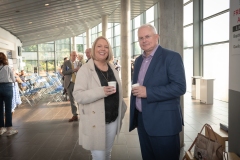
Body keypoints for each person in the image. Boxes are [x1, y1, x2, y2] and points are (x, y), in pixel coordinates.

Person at [129, 23, 186, 160]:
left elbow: (180, 87)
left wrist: (148, 92)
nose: (144, 40)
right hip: (143, 121)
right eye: (141, 38)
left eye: (147, 36)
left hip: (164, 123)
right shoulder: (138, 61)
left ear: (157, 37)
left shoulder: (172, 57)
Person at [73, 36, 127, 160]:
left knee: (108, 153)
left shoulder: (112, 67)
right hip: (95, 122)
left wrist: (122, 108)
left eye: (106, 46)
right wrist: (100, 91)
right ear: (93, 49)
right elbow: (78, 95)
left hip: (112, 119)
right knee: (99, 157)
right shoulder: (85, 70)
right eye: (99, 46)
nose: (103, 49)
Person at [0, 52, 18, 136]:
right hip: (7, 87)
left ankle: (1, 128)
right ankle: (9, 129)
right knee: (8, 109)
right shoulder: (7, 68)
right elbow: (13, 79)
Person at [62, 51, 81, 122]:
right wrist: (73, 70)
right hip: (69, 82)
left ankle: (82, 114)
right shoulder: (66, 63)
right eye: (73, 55)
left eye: (76, 55)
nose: (75, 57)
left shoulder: (79, 63)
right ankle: (75, 115)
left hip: (78, 83)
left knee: (79, 98)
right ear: (70, 55)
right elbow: (64, 72)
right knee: (72, 100)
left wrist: (79, 70)